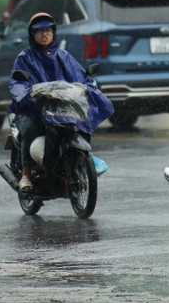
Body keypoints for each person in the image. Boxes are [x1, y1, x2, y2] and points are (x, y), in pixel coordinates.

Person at [8, 12, 113, 192]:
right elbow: (17, 83)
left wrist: (89, 86)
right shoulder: (24, 58)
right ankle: (26, 173)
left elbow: (81, 77)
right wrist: (27, 93)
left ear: (53, 32)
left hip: (61, 108)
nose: (44, 34)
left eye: (48, 30)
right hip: (35, 108)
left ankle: (84, 158)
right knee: (31, 126)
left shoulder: (64, 56)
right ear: (32, 34)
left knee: (81, 119)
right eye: (39, 31)